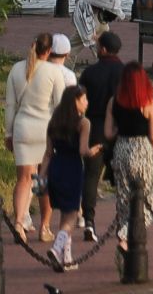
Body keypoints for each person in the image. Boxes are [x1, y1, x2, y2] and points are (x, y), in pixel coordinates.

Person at [2, 32, 72, 240]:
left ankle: (19, 222)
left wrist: (8, 132)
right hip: (46, 130)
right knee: (44, 180)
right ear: (49, 51)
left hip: (22, 128)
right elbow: (60, 106)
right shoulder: (53, 71)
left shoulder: (16, 70)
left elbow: (10, 106)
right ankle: (44, 227)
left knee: (24, 180)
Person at [104, 63, 153, 251]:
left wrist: (119, 130)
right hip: (142, 150)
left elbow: (108, 133)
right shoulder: (148, 103)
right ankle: (125, 237)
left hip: (122, 149)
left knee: (124, 198)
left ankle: (125, 233)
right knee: (145, 198)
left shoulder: (114, 102)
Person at [75, 31, 126, 243]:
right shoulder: (124, 72)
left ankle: (89, 221)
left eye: (98, 46)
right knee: (123, 177)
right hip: (118, 128)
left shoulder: (90, 72)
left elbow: (79, 99)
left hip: (94, 127)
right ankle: (124, 221)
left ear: (103, 49)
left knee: (91, 176)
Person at [38, 87, 94, 269]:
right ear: (75, 101)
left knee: (64, 213)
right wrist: (95, 150)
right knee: (72, 214)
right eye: (84, 99)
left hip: (56, 167)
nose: (86, 103)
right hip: (72, 168)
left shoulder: (54, 121)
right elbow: (82, 150)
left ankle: (66, 258)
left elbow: (47, 153)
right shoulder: (83, 123)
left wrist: (41, 177)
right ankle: (56, 248)